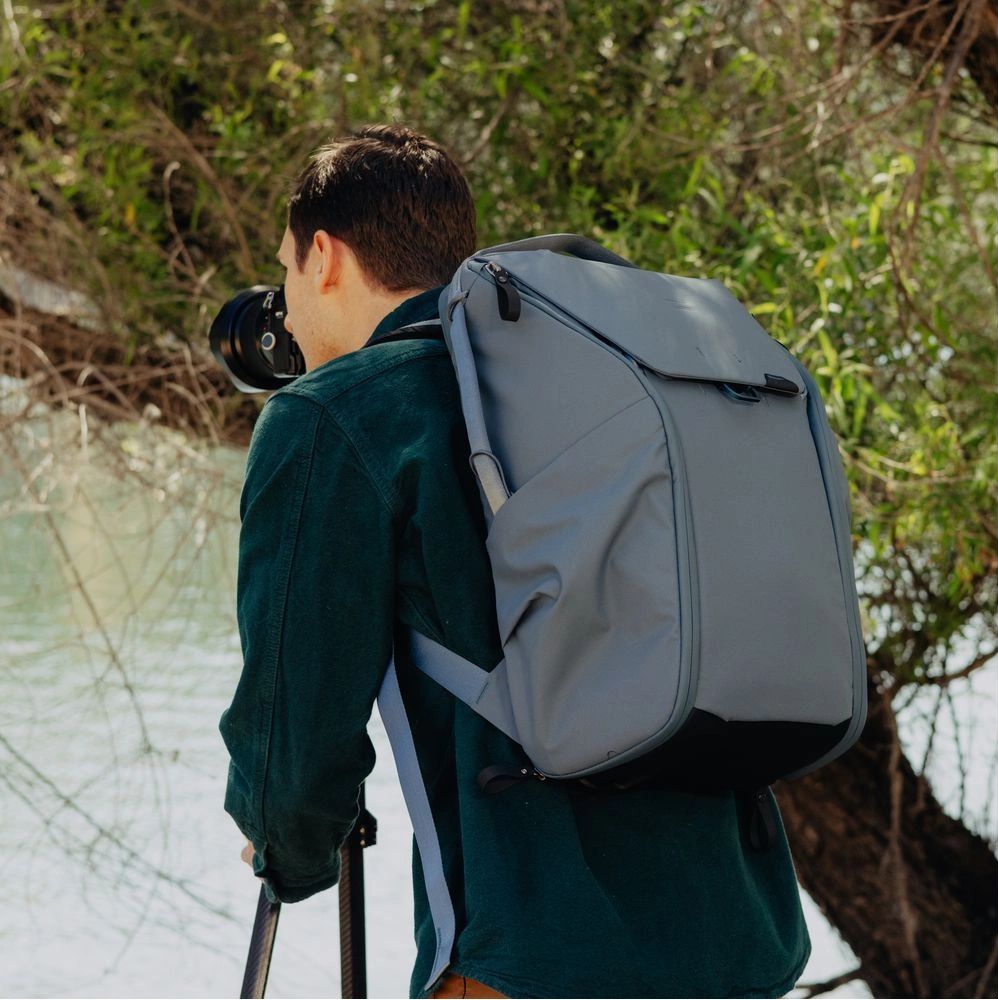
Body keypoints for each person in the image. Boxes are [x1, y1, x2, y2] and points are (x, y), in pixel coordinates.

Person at [220, 123, 811, 999]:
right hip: (742, 940)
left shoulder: (337, 413)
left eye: (287, 272)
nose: (287, 308)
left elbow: (294, 750)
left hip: (535, 952)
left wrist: (285, 845)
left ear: (324, 257)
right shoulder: (594, 383)